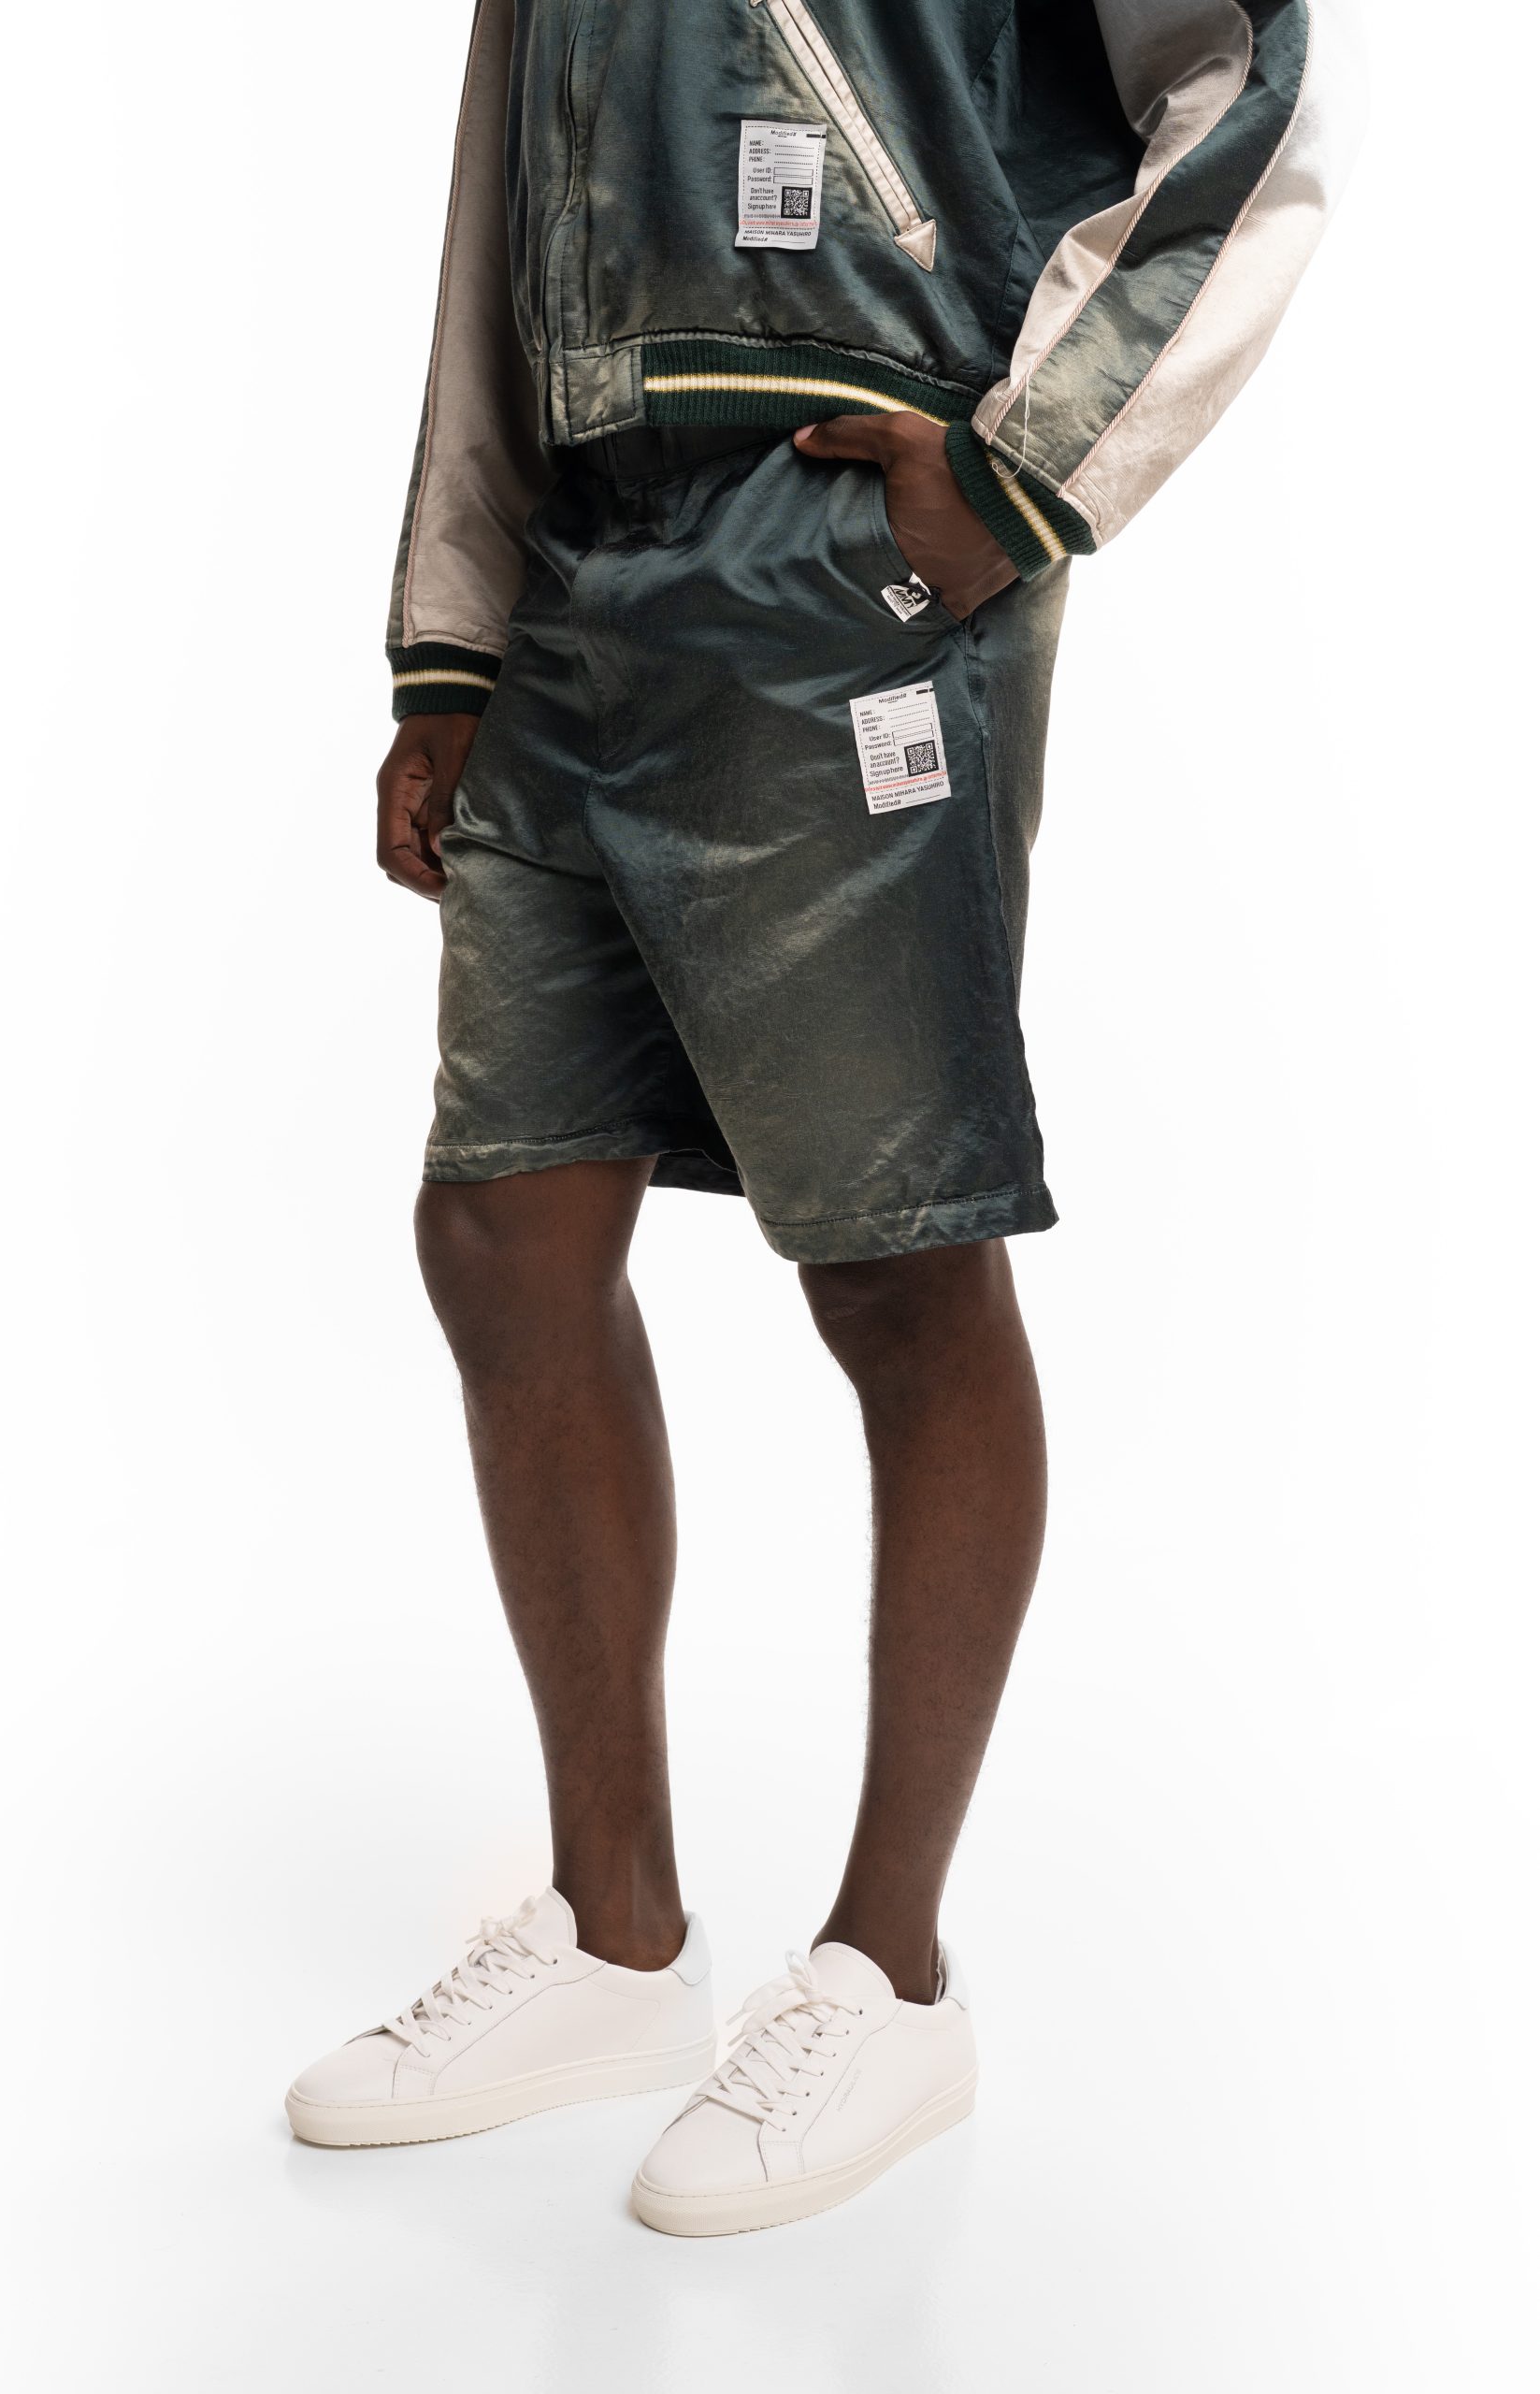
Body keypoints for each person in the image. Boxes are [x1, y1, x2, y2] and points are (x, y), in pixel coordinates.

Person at [286, 0, 1355, 2235]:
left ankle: (891, 1968)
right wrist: (449, 633)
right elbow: (500, 202)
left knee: (891, 1247)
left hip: (850, 533)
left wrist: (1022, 467)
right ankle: (612, 1932)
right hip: (579, 563)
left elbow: (1245, 90)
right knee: (499, 1228)